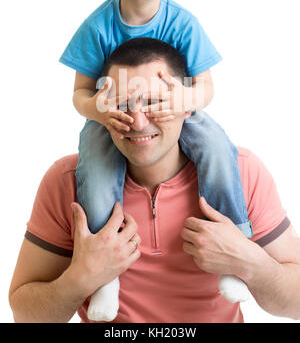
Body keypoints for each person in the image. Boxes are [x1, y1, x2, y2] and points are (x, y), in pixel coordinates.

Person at [9, 39, 300, 323]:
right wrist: (80, 277)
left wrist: (251, 264)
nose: (138, 121)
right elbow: (24, 315)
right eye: (121, 105)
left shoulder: (241, 172)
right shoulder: (66, 181)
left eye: (155, 102)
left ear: (187, 106)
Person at [58, 0, 252, 320]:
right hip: (114, 118)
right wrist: (99, 109)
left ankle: (234, 241)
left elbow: (207, 87)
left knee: (218, 145)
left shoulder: (183, 23)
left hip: (175, 112)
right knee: (92, 162)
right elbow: (78, 95)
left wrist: (184, 99)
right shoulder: (97, 27)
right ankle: (104, 270)